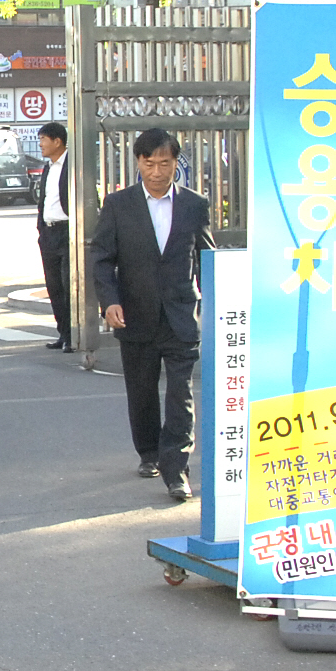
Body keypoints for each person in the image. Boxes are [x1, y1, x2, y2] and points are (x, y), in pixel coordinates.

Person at [88, 128, 214, 502]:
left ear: (177, 163)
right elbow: (101, 258)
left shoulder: (195, 205)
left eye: (165, 163)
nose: (157, 171)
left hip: (180, 315)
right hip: (135, 314)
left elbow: (207, 258)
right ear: (138, 163)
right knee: (141, 391)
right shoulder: (118, 205)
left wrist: (219, 304)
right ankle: (148, 452)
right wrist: (109, 301)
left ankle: (176, 469)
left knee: (181, 394)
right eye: (149, 163)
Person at [35, 121, 73, 350]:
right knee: (54, 286)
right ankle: (62, 333)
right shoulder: (48, 167)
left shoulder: (72, 164)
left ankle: (72, 336)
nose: (40, 144)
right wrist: (40, 228)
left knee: (69, 286)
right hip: (48, 233)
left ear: (57, 141)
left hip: (67, 230)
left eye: (43, 139)